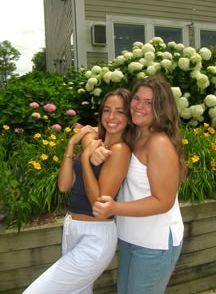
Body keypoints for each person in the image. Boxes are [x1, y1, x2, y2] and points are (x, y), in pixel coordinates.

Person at [23, 88, 133, 294]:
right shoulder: (95, 142)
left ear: (129, 116)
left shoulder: (119, 150)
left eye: (120, 111)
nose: (111, 117)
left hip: (95, 237)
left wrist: (84, 158)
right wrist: (72, 143)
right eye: (107, 110)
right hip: (72, 228)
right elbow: (64, 185)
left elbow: (99, 203)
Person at [91, 74, 187, 294]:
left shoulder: (159, 142)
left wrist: (114, 208)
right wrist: (93, 146)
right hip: (130, 234)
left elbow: (163, 202)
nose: (139, 106)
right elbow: (96, 131)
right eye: (137, 99)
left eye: (149, 102)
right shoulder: (134, 133)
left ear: (161, 108)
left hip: (155, 243)